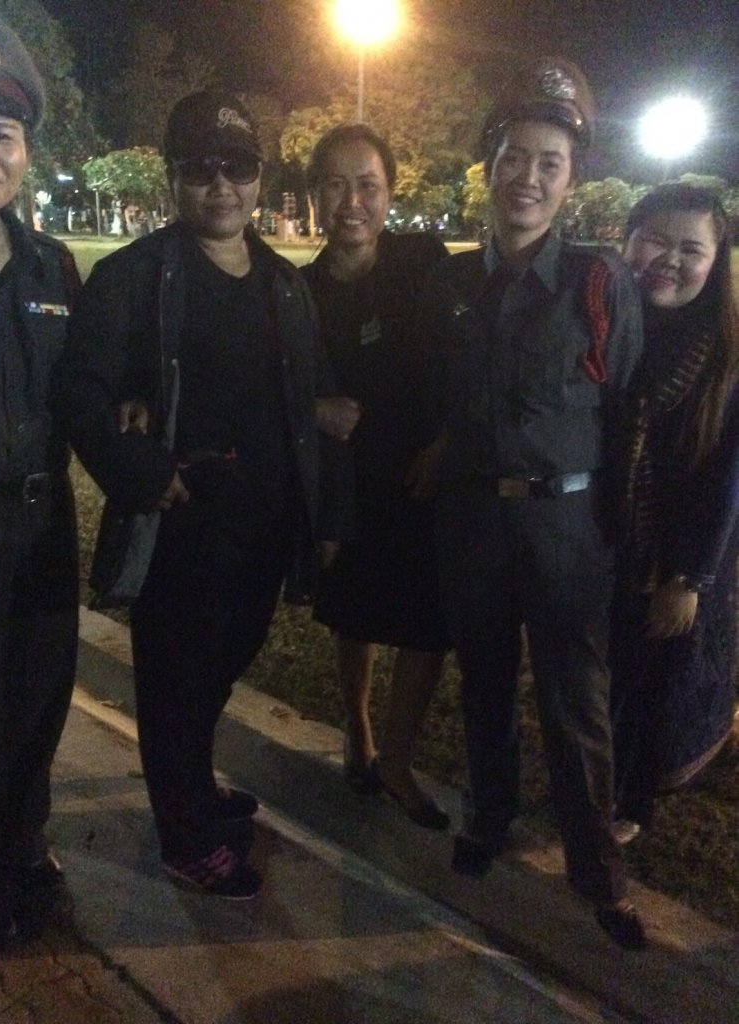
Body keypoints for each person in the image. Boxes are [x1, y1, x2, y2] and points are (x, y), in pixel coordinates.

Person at [58, 90, 347, 900]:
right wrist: (142, 469)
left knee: (224, 666)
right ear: (173, 179)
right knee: (176, 683)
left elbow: (311, 397)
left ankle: (193, 786)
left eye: (239, 168)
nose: (222, 187)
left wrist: (327, 498)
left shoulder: (283, 284)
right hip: (181, 529)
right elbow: (81, 391)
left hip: (265, 527)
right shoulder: (133, 277)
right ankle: (186, 840)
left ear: (261, 178)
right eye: (201, 170)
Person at [422, 58, 646, 947]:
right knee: (482, 682)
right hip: (473, 521)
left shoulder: (599, 282)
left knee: (574, 701)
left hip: (567, 528)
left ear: (571, 179)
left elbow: (626, 409)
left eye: (550, 162)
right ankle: (489, 819)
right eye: (515, 156)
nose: (529, 176)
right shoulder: (449, 281)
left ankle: (596, 866)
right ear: (490, 165)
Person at [303, 124, 451, 829]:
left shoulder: (424, 263)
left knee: (427, 624)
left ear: (390, 193)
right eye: (336, 184)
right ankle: (357, 735)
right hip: (347, 483)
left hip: (423, 475)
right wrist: (313, 410)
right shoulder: (297, 290)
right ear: (313, 194)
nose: (352, 202)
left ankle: (397, 758)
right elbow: (273, 380)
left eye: (368, 185)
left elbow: (466, 355)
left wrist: (448, 440)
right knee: (352, 613)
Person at [0, 13, 80, 954]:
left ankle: (19, 850)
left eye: (3, 133)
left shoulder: (53, 267)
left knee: (39, 703)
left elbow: (86, 393)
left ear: (27, 151)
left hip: (46, 526)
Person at [611, 184, 739, 834]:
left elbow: (728, 480)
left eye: (692, 248)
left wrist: (690, 577)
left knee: (656, 681)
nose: (671, 259)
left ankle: (630, 802)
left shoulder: (724, 355)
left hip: (678, 554)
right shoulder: (605, 328)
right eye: (657, 240)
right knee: (605, 675)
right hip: (604, 540)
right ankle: (599, 783)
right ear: (628, 241)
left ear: (716, 262)